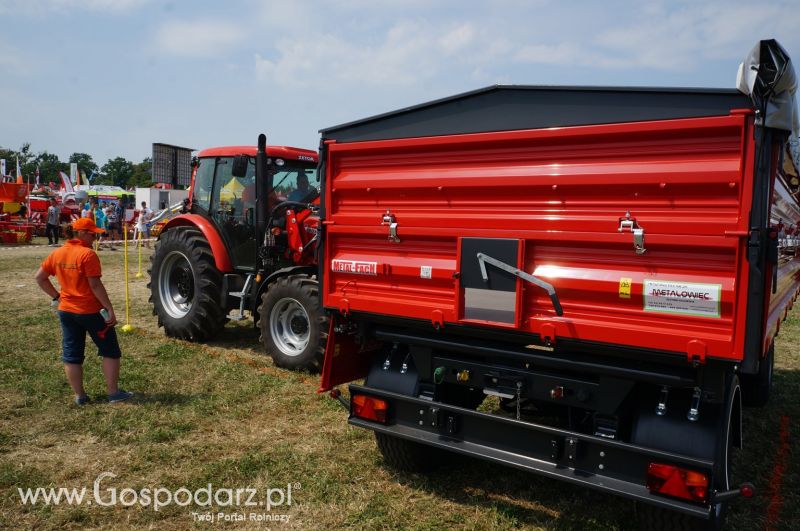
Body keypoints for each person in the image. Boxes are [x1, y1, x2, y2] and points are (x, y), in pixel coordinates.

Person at [34, 218, 134, 405]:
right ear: (80, 233)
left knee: (72, 355)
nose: (95, 237)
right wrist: (109, 308)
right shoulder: (87, 255)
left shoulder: (58, 253)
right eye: (91, 233)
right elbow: (95, 285)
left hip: (66, 312)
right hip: (91, 311)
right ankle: (113, 393)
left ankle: (80, 396)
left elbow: (40, 278)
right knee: (110, 351)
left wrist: (57, 297)